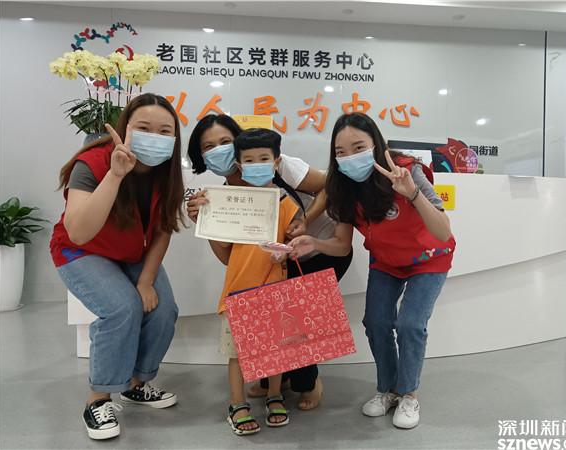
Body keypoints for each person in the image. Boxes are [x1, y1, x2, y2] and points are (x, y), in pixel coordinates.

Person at [289, 112, 456, 429]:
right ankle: (388, 390)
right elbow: (342, 245)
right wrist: (315, 243)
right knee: (376, 322)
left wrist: (412, 193)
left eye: (358, 147)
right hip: (386, 261)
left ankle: (409, 394)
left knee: (410, 324)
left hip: (429, 258)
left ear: (376, 145)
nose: (350, 157)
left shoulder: (407, 170)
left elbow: (442, 231)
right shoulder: (343, 188)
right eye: (341, 152)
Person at [186, 114, 353, 410]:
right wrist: (206, 223)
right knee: (272, 317)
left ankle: (307, 383)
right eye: (209, 146)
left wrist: (305, 219)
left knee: (295, 321)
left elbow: (331, 185)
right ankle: (277, 381)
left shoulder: (279, 164)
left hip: (320, 249)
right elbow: (228, 258)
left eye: (225, 141)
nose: (218, 150)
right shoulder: (224, 194)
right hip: (279, 261)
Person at [49, 93, 184, 440]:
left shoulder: (166, 172)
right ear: (125, 129)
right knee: (121, 308)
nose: (154, 137)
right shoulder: (92, 162)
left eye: (164, 131)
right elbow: (79, 231)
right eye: (143, 128)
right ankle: (98, 399)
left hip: (129, 252)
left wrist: (146, 281)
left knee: (164, 308)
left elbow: (163, 229)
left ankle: (136, 384)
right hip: (81, 251)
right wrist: (114, 174)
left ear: (174, 137)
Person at [192, 128, 303, 435]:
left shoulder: (284, 201)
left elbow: (297, 234)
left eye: (264, 159)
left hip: (276, 289)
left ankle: (274, 395)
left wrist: (290, 245)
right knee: (237, 353)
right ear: (239, 166)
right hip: (237, 289)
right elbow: (222, 246)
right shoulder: (229, 200)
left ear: (276, 162)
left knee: (277, 350)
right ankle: (237, 403)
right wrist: (205, 216)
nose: (257, 165)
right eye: (249, 161)